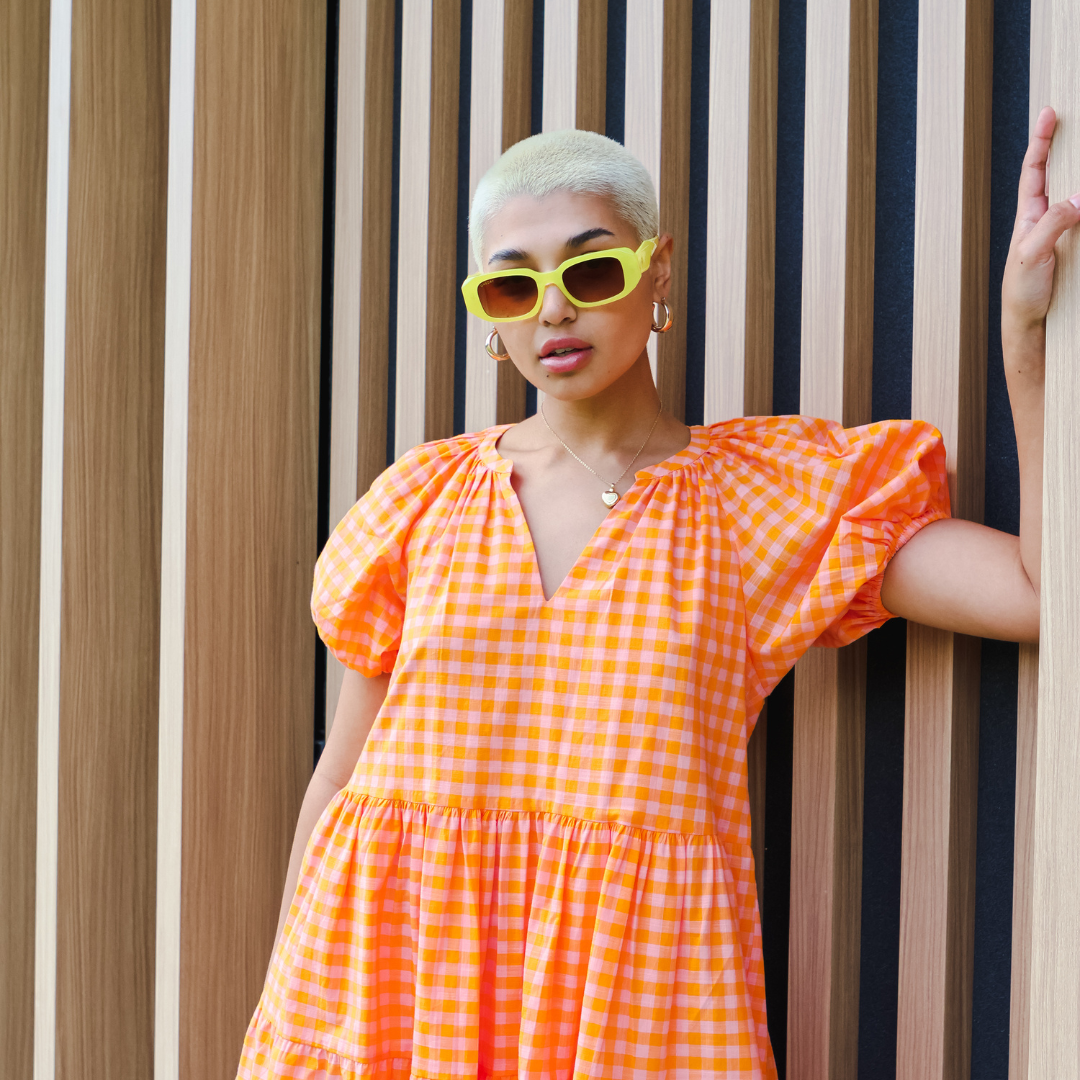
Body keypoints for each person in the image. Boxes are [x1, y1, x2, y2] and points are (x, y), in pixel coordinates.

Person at [236, 108, 1077, 1079]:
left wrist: (1026, 336)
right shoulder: (418, 504)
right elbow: (340, 781)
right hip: (391, 994)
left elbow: (1038, 595)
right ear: (487, 312)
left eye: (590, 271)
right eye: (513, 285)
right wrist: (284, 1022)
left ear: (657, 270)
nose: (551, 310)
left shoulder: (755, 501)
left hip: (628, 1010)